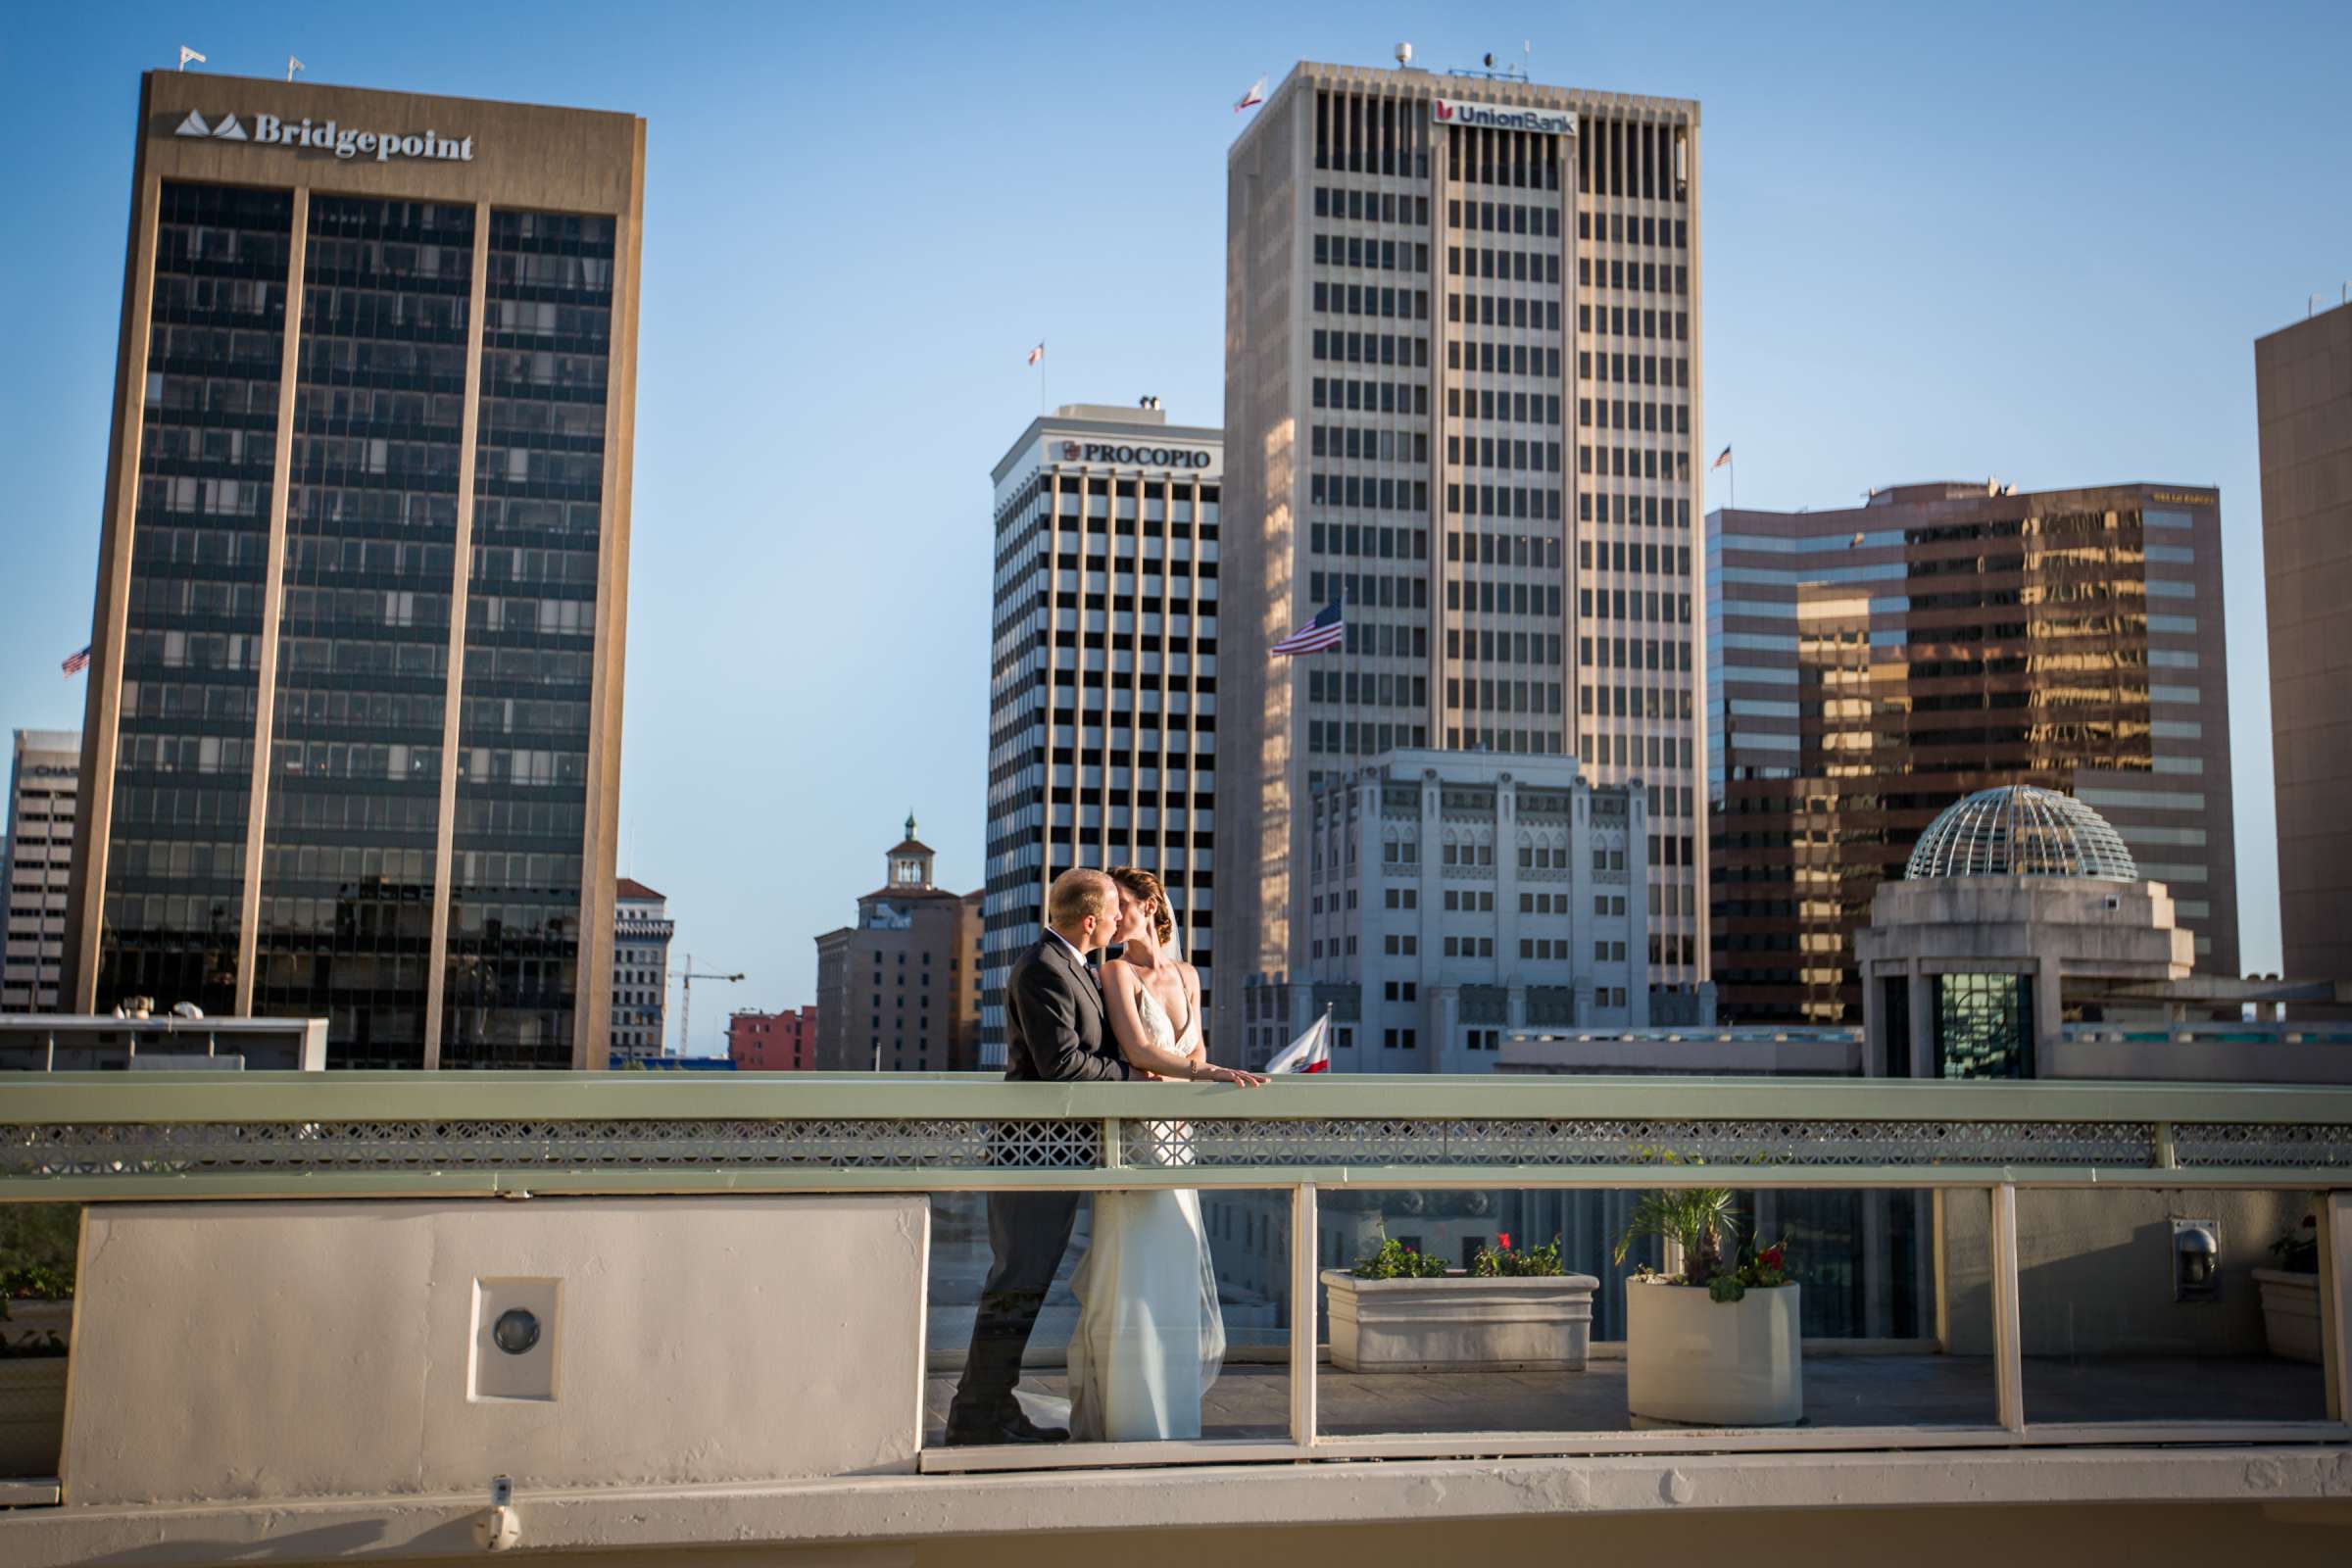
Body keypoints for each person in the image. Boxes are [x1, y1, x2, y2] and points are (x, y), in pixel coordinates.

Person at [945, 866, 1261, 1447]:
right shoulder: (1044, 968)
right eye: (1112, 911)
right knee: (1016, 1283)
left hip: (1065, 1153)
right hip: (1031, 1154)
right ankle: (976, 1417)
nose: (1119, 918)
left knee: (1026, 1284)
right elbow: (1062, 1065)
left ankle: (990, 1407)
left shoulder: (1076, 967)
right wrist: (1138, 1075)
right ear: (1092, 921)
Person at [1066, 866, 1265, 1442]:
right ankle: (1130, 1416)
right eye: (1108, 904)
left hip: (1178, 1134)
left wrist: (1196, 1071)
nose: (1113, 913)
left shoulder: (1187, 974)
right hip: (1132, 1137)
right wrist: (1205, 1072)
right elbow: (1137, 1048)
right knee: (1133, 1270)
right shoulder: (1113, 970)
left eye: (1121, 903)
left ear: (1150, 905)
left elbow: (1193, 1045)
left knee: (1173, 1263)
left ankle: (1172, 1414)